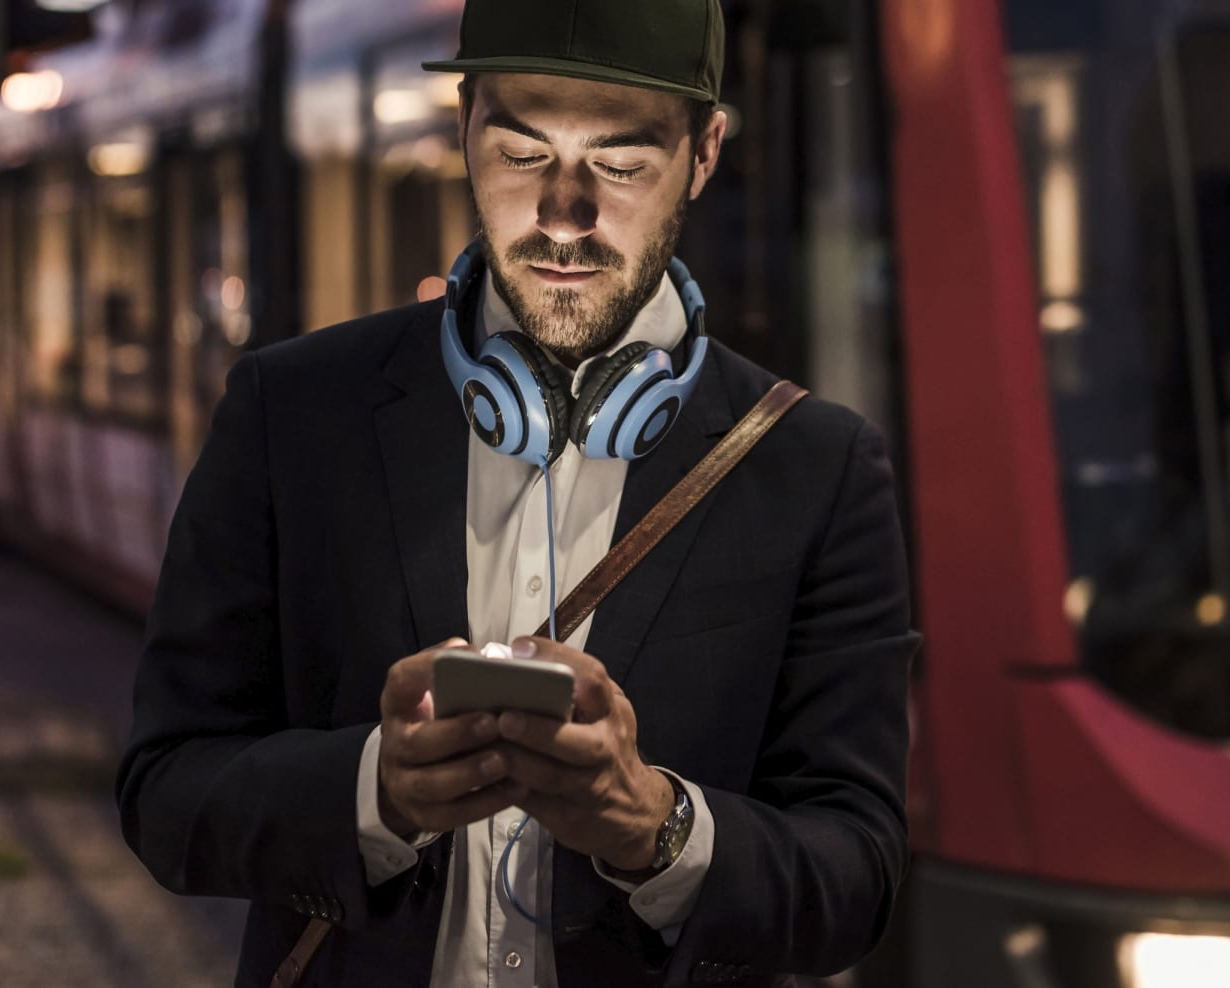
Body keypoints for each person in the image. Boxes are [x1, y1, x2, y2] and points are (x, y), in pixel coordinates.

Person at [116, 1, 918, 985]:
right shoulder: (289, 413)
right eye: (522, 150)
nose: (564, 212)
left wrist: (658, 826)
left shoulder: (818, 469)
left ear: (705, 152)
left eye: (619, 162)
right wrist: (376, 793)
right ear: (462, 125)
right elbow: (163, 790)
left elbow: (860, 878)